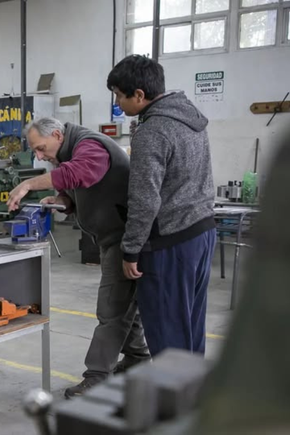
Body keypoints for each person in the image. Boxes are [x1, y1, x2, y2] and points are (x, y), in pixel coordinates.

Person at [7, 117, 150, 398]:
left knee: (111, 310)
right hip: (110, 238)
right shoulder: (68, 151)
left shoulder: (90, 145)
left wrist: (28, 185)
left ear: (58, 135)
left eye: (40, 148)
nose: (39, 155)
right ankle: (137, 359)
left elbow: (81, 172)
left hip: (125, 238)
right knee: (124, 306)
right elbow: (79, 184)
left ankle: (97, 375)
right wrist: (65, 201)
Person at [107, 55, 216, 357]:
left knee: (167, 330)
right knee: (190, 325)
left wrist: (130, 249)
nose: (118, 102)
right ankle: (190, 397)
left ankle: (172, 402)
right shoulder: (190, 116)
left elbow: (144, 198)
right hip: (202, 232)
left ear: (139, 95)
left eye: (119, 95)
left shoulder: (153, 131)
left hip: (171, 242)